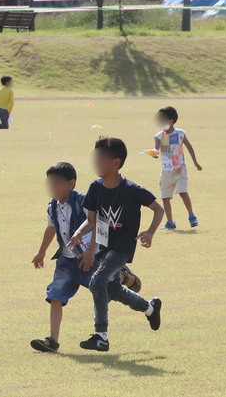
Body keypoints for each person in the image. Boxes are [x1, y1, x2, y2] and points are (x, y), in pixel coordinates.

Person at [30, 162, 143, 353]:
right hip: (66, 260)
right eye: (50, 183)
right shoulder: (52, 207)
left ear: (71, 183)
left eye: (57, 183)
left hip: (92, 258)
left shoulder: (85, 202)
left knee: (112, 292)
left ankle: (125, 279)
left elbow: (101, 226)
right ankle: (52, 341)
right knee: (55, 296)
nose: (53, 187)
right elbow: (51, 228)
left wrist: (92, 252)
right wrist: (41, 252)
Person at [69, 137, 165, 352]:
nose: (96, 163)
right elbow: (91, 220)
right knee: (114, 290)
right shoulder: (95, 188)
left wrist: (150, 232)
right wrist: (78, 233)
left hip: (120, 249)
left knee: (97, 282)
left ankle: (101, 336)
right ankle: (149, 308)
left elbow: (159, 209)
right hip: (104, 247)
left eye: (101, 159)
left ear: (115, 162)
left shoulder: (131, 189)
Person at [150, 106, 202, 230]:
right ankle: (170, 222)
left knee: (183, 192)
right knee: (165, 197)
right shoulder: (159, 136)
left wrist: (195, 163)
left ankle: (192, 216)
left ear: (171, 121)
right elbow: (156, 150)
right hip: (166, 171)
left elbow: (189, 147)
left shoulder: (180, 134)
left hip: (180, 168)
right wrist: (154, 153)